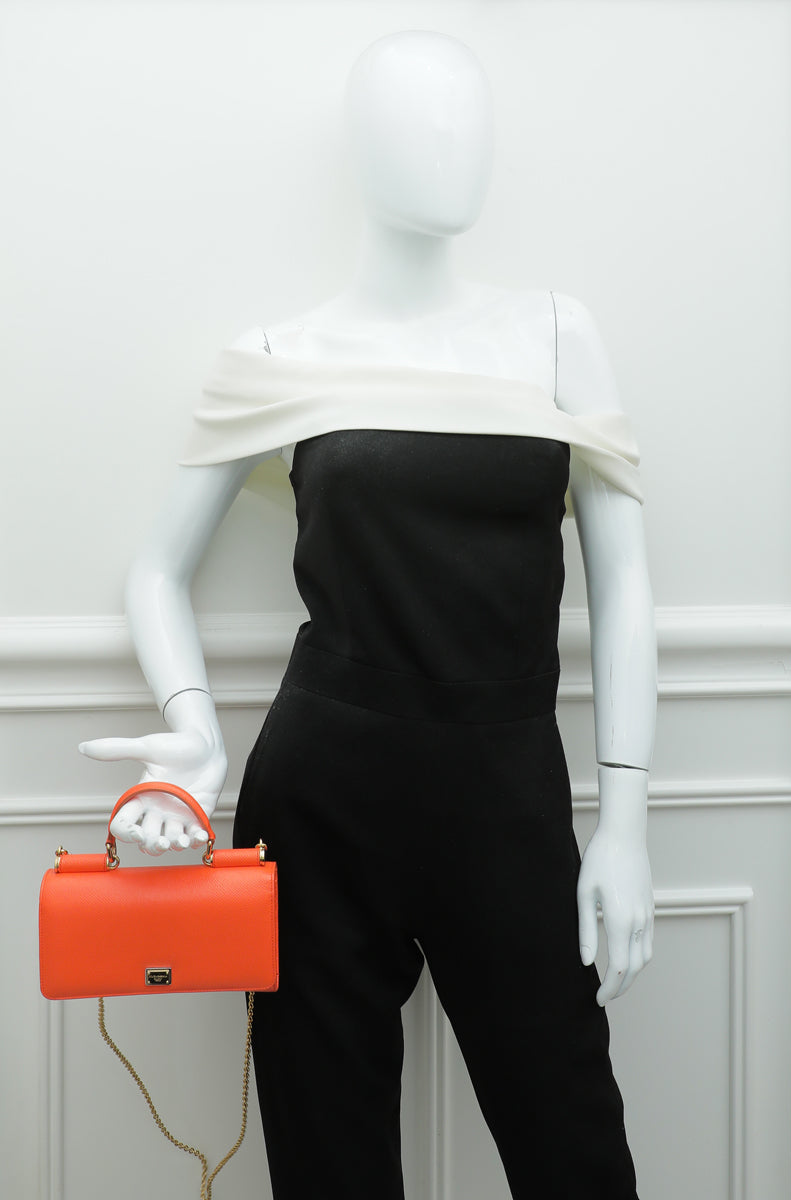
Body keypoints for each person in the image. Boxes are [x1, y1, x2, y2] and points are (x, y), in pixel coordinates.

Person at [81, 30, 657, 1199]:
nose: (449, 146)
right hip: (322, 803)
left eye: (467, 120)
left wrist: (627, 820)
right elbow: (155, 572)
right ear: (360, 147)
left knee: (575, 1154)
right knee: (328, 1168)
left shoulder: (557, 334)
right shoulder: (279, 353)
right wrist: (193, 738)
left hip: (507, 793)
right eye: (415, 120)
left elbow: (625, 578)